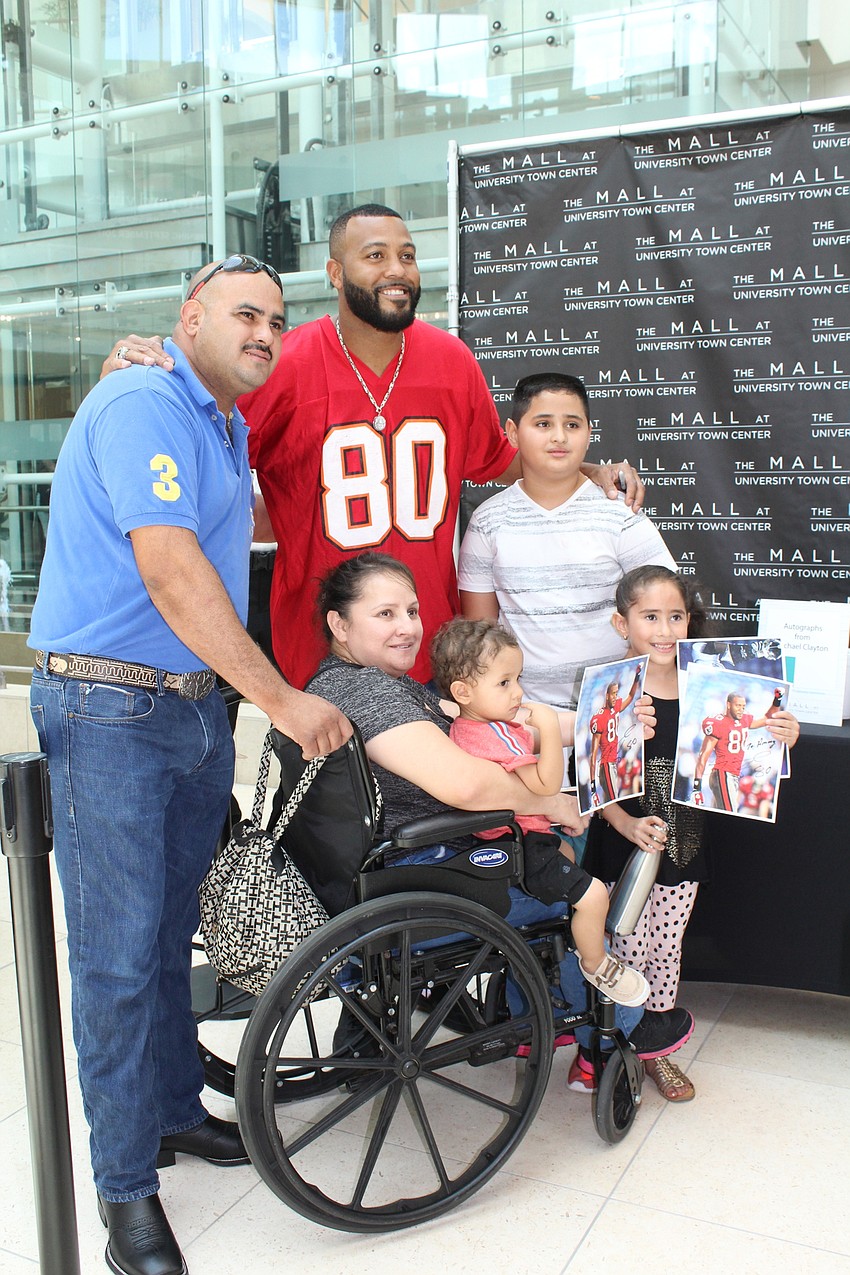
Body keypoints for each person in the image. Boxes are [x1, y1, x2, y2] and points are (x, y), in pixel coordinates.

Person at [28, 257, 351, 1275]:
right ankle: (124, 1194)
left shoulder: (224, 423)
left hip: (188, 712)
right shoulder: (141, 398)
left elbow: (226, 549)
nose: (262, 333)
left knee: (171, 933)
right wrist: (282, 699)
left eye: (275, 321)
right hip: (109, 707)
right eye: (243, 315)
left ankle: (168, 1111)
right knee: (118, 959)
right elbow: (171, 572)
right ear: (189, 319)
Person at [101, 207, 645, 689]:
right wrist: (129, 368)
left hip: (432, 647)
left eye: (407, 256)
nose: (397, 270)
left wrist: (587, 470)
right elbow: (208, 447)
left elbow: (498, 461)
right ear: (336, 273)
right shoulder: (283, 363)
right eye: (375, 255)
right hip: (323, 650)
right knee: (333, 801)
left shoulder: (451, 360)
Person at [306, 552, 695, 1081]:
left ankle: (539, 1011)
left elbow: (503, 721)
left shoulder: (356, 683)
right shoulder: (371, 694)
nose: (407, 628)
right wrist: (550, 802)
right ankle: (617, 1021)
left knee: (551, 850)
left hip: (385, 867)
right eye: (386, 614)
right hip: (424, 871)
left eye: (412, 611)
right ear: (339, 623)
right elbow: (466, 783)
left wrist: (604, 720)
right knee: (571, 888)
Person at [584, 566, 800, 1102]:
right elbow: (595, 775)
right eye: (649, 616)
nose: (664, 629)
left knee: (666, 947)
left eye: (675, 616)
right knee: (619, 948)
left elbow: (751, 761)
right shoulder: (613, 690)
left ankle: (656, 1053)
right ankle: (607, 1050)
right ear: (621, 622)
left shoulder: (714, 688)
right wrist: (625, 823)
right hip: (622, 846)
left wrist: (782, 737)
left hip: (683, 848)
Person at [429, 616, 649, 1008]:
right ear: (462, 691)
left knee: (570, 859)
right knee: (595, 895)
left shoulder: (470, 726)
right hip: (522, 845)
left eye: (518, 679)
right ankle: (596, 964)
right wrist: (547, 727)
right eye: (504, 683)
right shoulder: (493, 733)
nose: (518, 692)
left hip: (512, 839)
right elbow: (544, 786)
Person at [459, 371, 675, 710]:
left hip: (619, 713)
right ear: (513, 433)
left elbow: (665, 611)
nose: (559, 437)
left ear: (589, 434)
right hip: (525, 717)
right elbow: (480, 635)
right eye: (543, 424)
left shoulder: (620, 515)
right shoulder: (488, 522)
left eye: (572, 425)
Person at [693, 688, 785, 812]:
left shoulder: (744, 720)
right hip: (722, 773)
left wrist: (777, 700)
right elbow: (703, 756)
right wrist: (696, 788)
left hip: (734, 775)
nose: (741, 709)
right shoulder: (716, 723)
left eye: (743, 706)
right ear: (728, 705)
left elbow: (768, 718)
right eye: (738, 706)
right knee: (729, 813)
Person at [589, 668, 642, 806]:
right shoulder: (598, 718)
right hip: (606, 763)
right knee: (614, 803)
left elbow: (631, 696)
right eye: (612, 694)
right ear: (606, 696)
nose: (615, 697)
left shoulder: (616, 707)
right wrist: (593, 785)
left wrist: (636, 677)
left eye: (616, 694)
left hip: (614, 762)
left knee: (611, 802)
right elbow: (593, 754)